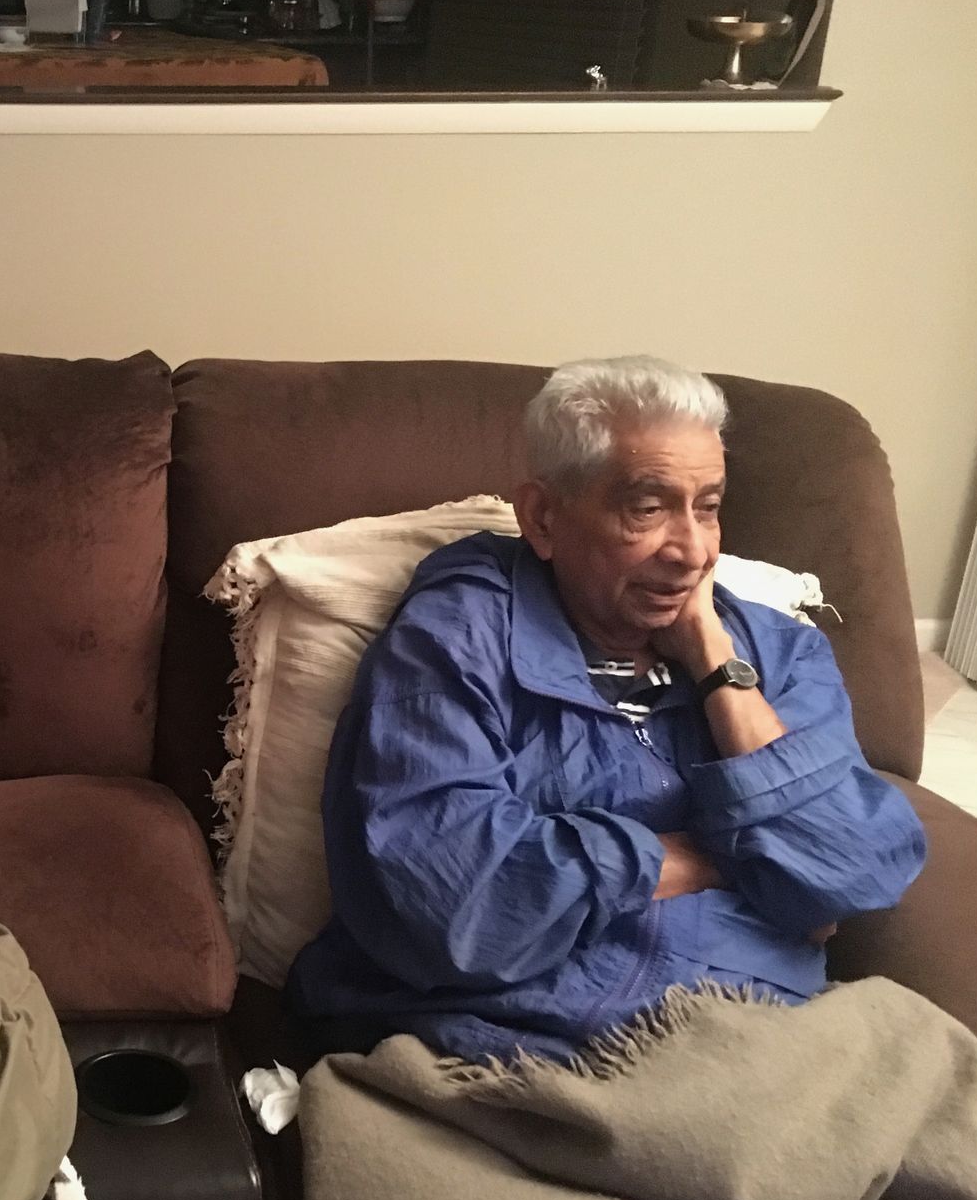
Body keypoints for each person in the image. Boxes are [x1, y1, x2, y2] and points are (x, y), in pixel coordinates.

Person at [286, 353, 927, 1063]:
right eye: (647, 508)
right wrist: (724, 855)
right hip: (523, 1038)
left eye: (708, 508)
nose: (693, 552)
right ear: (544, 518)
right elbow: (463, 905)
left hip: (765, 1025)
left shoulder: (777, 653)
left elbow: (853, 870)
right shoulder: (456, 640)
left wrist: (716, 664)